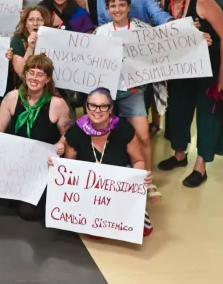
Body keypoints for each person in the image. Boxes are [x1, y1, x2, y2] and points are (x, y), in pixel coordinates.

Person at [157, 0, 223, 188]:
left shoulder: (201, 0)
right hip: (181, 71)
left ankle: (201, 166)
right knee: (178, 112)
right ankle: (179, 155)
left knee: (207, 117)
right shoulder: (163, 3)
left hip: (208, 70)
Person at [0, 54, 70, 220]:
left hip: (41, 168)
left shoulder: (57, 103)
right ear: (25, 74)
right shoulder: (12, 97)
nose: (34, 78)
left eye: (40, 74)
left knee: (29, 212)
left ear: (47, 79)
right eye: (31, 72)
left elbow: (67, 133)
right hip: (15, 163)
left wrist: (61, 144)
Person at [94, 0, 162, 202]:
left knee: (142, 135)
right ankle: (107, 179)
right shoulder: (102, 31)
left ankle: (147, 181)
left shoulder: (142, 30)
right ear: (107, 9)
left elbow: (157, 55)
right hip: (107, 93)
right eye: (113, 6)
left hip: (133, 91)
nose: (117, 9)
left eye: (121, 5)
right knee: (105, 137)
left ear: (129, 7)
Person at [59, 87, 154, 236]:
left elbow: (138, 160)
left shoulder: (124, 129)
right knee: (95, 233)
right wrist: (58, 168)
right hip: (88, 188)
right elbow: (69, 167)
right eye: (93, 105)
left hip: (117, 188)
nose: (97, 110)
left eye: (103, 106)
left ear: (110, 109)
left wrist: (140, 175)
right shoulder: (76, 132)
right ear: (86, 107)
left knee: (139, 230)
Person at [9, 6, 53, 80]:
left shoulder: (53, 40)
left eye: (39, 20)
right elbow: (21, 73)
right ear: (26, 24)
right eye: (31, 20)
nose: (35, 23)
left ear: (46, 23)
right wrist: (30, 48)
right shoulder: (18, 40)